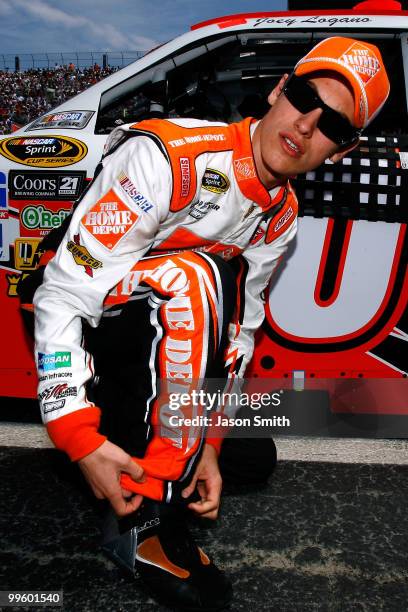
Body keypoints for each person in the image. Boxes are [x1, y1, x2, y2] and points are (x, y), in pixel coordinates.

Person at [32, 37, 389, 611]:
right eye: (302, 97)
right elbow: (63, 296)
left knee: (254, 454)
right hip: (90, 332)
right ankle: (144, 517)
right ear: (278, 90)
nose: (306, 125)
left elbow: (239, 332)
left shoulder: (281, 217)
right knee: (193, 276)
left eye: (335, 127)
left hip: (161, 350)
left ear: (341, 151)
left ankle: (155, 452)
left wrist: (212, 443)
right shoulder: (167, 155)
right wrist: (74, 434)